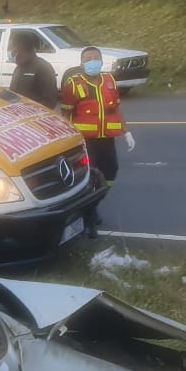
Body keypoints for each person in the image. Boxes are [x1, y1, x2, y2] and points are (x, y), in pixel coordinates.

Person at [61, 46, 135, 238]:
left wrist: (126, 132)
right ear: (81, 63)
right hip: (85, 142)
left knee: (111, 172)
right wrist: (68, 141)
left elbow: (116, 109)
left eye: (96, 58)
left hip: (107, 139)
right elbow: (66, 114)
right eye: (88, 58)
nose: (92, 61)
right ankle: (88, 216)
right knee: (89, 177)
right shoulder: (73, 84)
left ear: (101, 62)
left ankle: (94, 203)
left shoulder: (109, 81)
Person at [8, 29, 59, 110]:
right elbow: (13, 94)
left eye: (13, 46)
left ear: (20, 46)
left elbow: (50, 101)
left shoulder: (43, 67)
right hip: (18, 116)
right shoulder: (19, 68)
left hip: (34, 118)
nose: (11, 50)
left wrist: (31, 111)